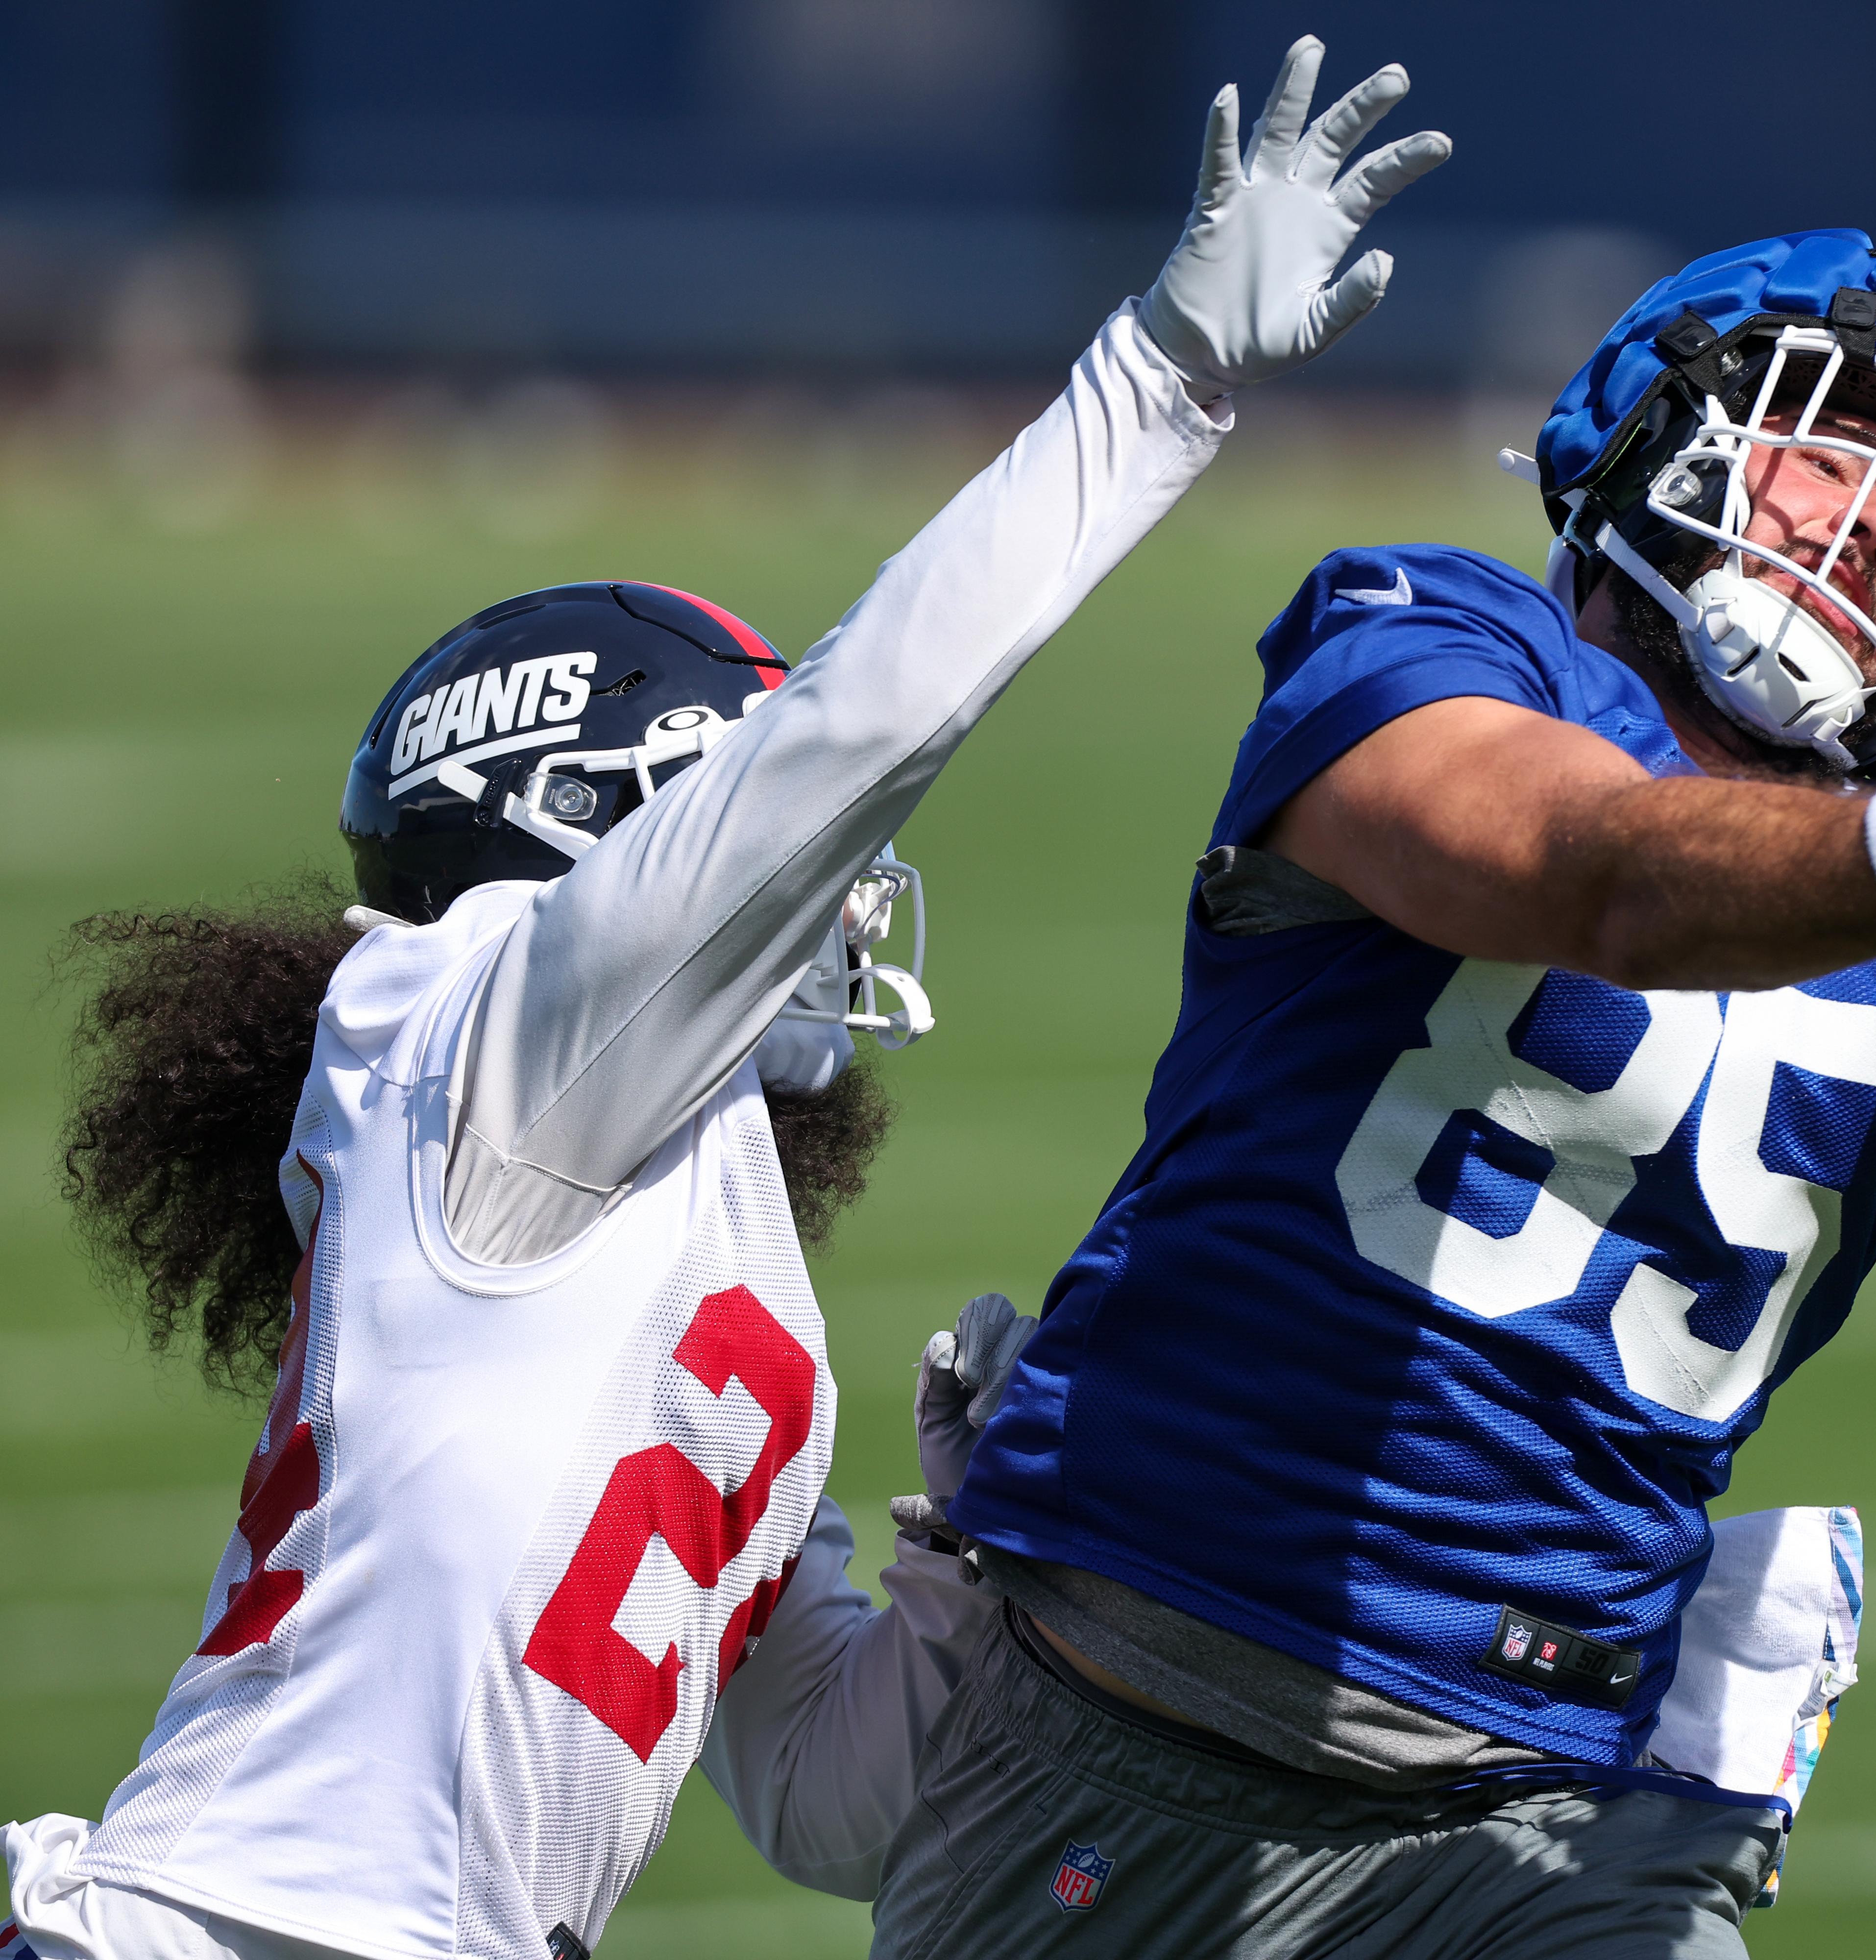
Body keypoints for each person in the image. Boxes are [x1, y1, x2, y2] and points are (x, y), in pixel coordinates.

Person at [0, 41, 1448, 1960]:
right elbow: (873, 719)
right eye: (733, 797)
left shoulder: (687, 1229)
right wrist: (1164, 373)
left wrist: (979, 1548)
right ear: (583, 830)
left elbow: (833, 1802)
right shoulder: (485, 1039)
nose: (835, 893)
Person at [880, 231, 1876, 1957]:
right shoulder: (1435, 636)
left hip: (1557, 1817)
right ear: (1666, 435)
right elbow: (1583, 869)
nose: (1868, 535)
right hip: (1134, 1721)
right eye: (1833, 462)